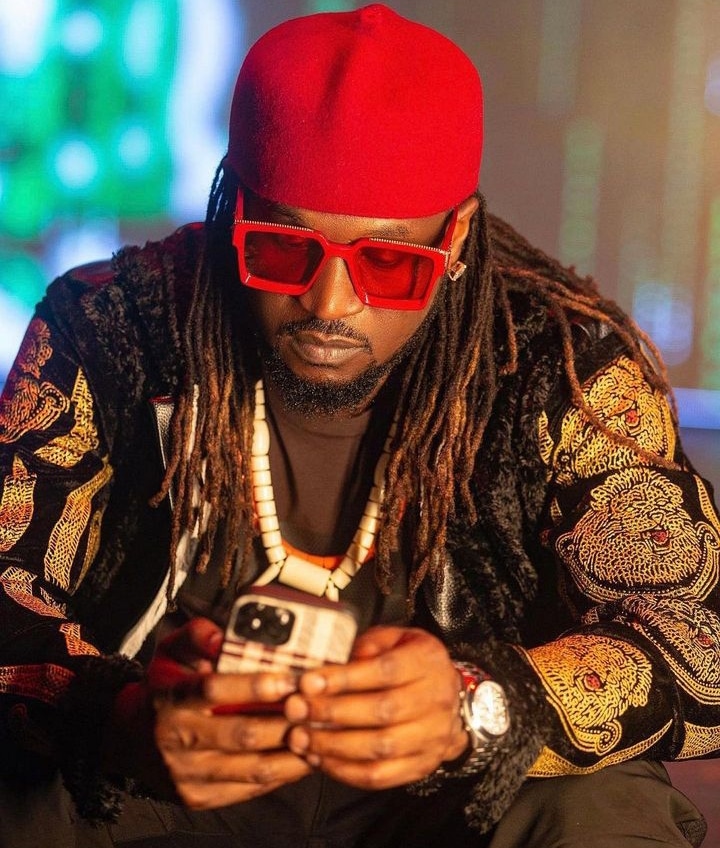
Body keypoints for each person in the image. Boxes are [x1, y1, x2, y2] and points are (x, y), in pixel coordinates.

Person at [0, 4, 717, 846]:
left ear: (456, 237)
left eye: (389, 263)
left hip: (443, 789)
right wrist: (116, 717)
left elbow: (699, 639)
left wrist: (482, 705)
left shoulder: (562, 360)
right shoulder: (114, 321)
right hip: (165, 772)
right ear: (234, 209)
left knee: (597, 813)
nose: (330, 305)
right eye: (281, 249)